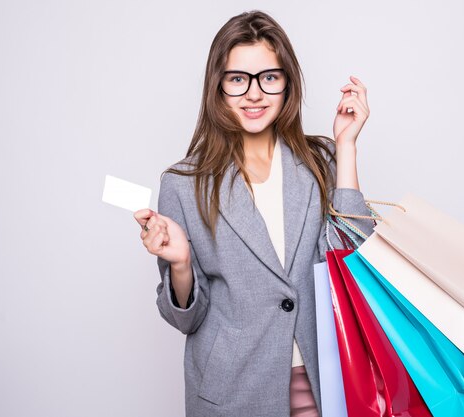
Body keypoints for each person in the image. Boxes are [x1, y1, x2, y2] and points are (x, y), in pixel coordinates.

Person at [134, 10, 374, 417]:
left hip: (327, 381)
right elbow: (185, 320)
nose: (254, 94)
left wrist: (347, 146)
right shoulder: (182, 183)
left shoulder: (322, 160)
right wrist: (181, 266)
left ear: (287, 83)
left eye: (269, 77)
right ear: (218, 87)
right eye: (237, 79)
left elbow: (353, 266)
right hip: (234, 392)